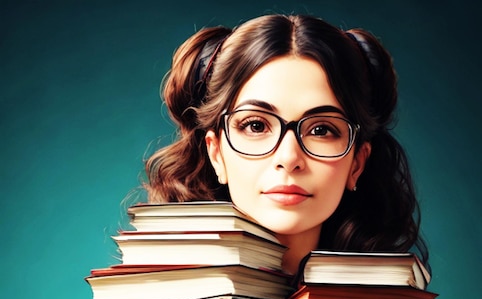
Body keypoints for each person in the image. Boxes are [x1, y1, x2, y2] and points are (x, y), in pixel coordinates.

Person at [143, 13, 428, 275]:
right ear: (216, 152)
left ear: (357, 162)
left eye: (321, 129)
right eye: (256, 125)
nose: (289, 158)